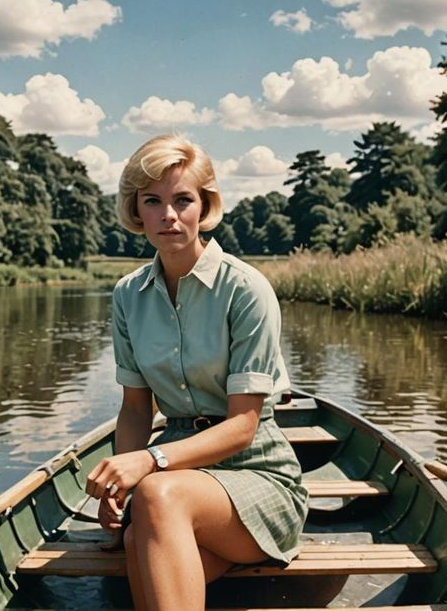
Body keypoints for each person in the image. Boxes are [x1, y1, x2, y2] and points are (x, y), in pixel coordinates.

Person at [85, 135, 307, 607]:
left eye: (183, 199)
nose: (169, 215)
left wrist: (146, 463)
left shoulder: (246, 289)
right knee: (138, 534)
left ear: (204, 207)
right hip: (174, 482)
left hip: (258, 474)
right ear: (136, 211)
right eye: (153, 201)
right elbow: (134, 409)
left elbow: (244, 427)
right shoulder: (128, 295)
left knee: (158, 499)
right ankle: (207, 555)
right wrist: (118, 488)